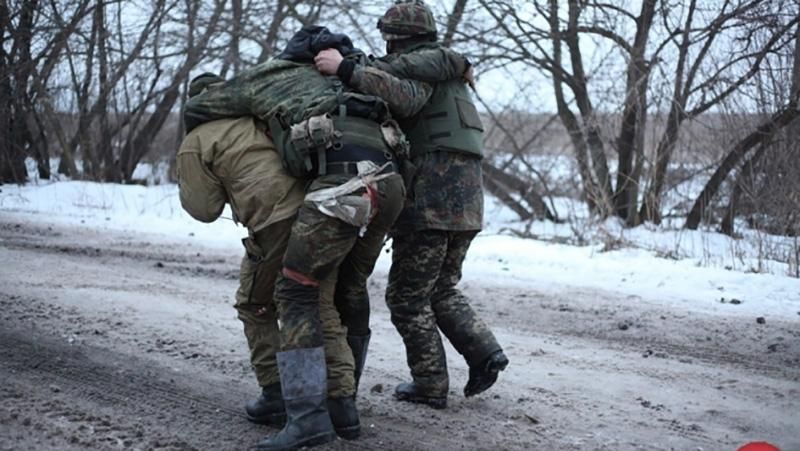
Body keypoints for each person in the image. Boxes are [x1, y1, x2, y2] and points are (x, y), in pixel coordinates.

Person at [184, 27, 431, 450]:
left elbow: (203, 104)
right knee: (345, 290)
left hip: (343, 184)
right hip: (390, 183)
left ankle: (306, 418)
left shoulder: (274, 75)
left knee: (295, 292)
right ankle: (343, 409)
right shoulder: (357, 72)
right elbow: (413, 94)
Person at [315, 0, 508, 411]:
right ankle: (485, 353)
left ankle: (430, 384)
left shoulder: (421, 70)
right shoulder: (444, 71)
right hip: (467, 200)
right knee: (440, 286)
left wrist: (347, 70)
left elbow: (403, 99)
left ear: (398, 38)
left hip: (431, 199)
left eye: (389, 40)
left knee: (405, 297)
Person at [176, 73, 360, 439]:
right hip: (320, 211)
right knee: (317, 300)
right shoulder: (258, 118)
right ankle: (343, 406)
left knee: (254, 304)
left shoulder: (197, 141)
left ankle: (276, 393)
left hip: (274, 223)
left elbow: (203, 209)